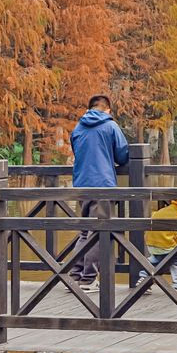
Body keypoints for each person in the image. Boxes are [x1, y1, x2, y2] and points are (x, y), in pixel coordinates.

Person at [69, 94, 129, 292]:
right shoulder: (110, 126)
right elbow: (122, 154)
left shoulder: (78, 128)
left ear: (89, 108)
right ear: (108, 109)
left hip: (81, 184)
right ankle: (88, 279)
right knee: (97, 231)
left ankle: (75, 276)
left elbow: (78, 153)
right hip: (102, 184)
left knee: (85, 231)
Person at [136, 199, 177, 299]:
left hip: (151, 244)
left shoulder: (161, 211)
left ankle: (143, 279)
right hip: (166, 245)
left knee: (156, 260)